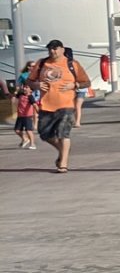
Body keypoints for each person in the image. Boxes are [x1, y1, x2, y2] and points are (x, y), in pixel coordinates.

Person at [27, 39, 90, 173]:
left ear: (62, 49)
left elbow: (86, 82)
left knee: (63, 134)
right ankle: (63, 151)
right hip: (46, 105)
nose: (52, 51)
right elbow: (30, 81)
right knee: (44, 134)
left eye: (55, 48)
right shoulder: (42, 63)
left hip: (66, 105)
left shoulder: (72, 64)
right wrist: (36, 85)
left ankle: (63, 163)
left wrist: (75, 85)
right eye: (50, 49)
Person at [64, 47, 87, 127]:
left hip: (79, 87)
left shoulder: (73, 64)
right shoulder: (73, 63)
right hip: (73, 88)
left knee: (77, 105)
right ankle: (74, 120)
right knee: (72, 106)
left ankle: (77, 122)